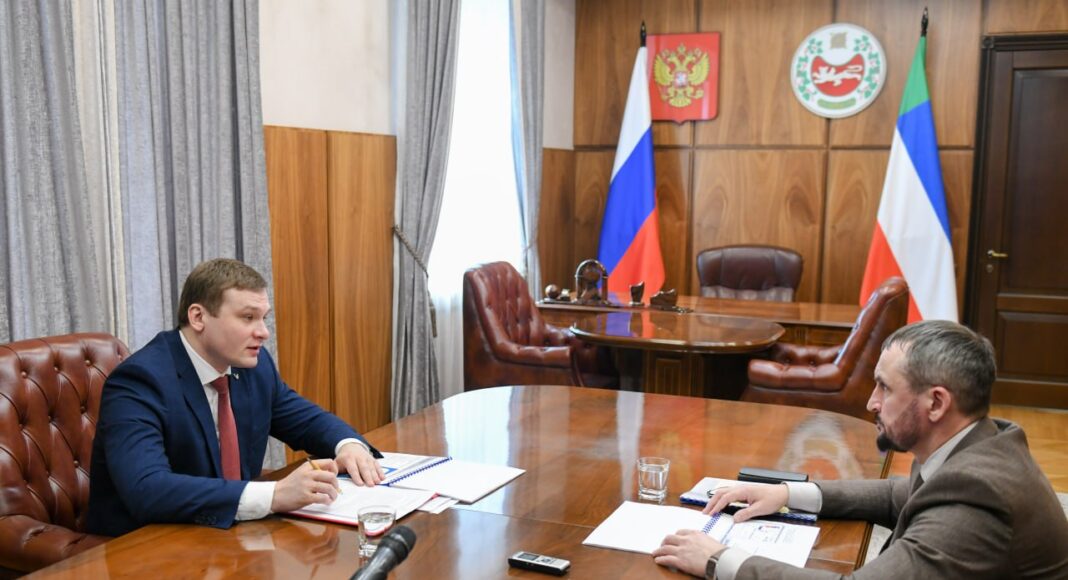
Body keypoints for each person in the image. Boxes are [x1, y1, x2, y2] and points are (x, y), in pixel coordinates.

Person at [653, 320, 1068, 579]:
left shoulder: (979, 497)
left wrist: (721, 560)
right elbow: (901, 493)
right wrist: (785, 493)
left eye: (885, 387)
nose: (871, 402)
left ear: (937, 403)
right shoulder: (979, 442)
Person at [87, 258, 385, 537]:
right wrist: (275, 495)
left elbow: (304, 419)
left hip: (228, 536)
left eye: (263, 318)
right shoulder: (140, 381)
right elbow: (147, 489)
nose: (263, 333)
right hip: (146, 545)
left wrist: (348, 445)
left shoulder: (251, 365)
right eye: (248, 318)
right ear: (198, 316)